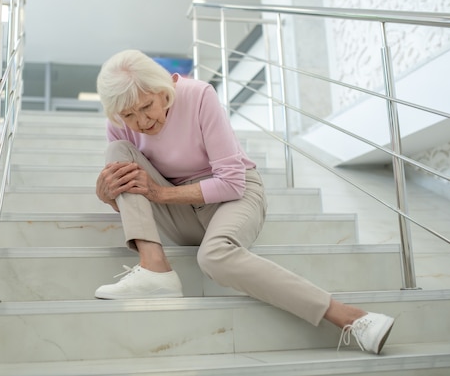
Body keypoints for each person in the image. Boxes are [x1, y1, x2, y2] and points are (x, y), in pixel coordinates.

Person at [94, 49, 395, 354]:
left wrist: (161, 194)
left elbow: (231, 182)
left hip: (232, 198)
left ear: (162, 89)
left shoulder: (198, 95)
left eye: (147, 107)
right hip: (180, 213)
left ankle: (350, 317)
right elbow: (135, 196)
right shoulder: (120, 125)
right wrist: (107, 194)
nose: (141, 121)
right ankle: (154, 269)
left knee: (213, 257)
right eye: (129, 115)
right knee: (117, 152)